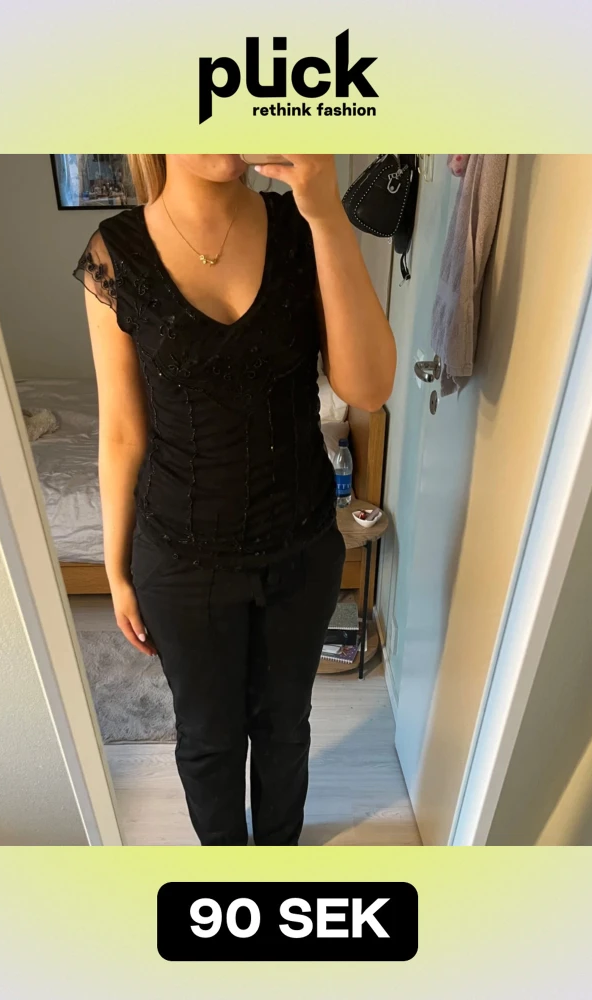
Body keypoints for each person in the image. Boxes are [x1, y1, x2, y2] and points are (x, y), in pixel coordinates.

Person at [73, 154, 396, 845]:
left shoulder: (304, 226)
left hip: (301, 545)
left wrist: (325, 210)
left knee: (285, 726)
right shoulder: (114, 253)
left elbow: (368, 389)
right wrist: (115, 568)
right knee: (208, 736)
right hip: (179, 556)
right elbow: (123, 431)